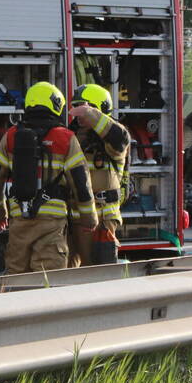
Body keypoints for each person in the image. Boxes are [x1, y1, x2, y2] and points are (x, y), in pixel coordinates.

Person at [0, 82, 97, 273]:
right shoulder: (66, 138)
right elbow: (81, 182)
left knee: (16, 279)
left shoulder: (11, 136)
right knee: (48, 282)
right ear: (55, 106)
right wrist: (89, 218)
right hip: (51, 224)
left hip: (19, 220)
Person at [68, 84, 130, 265]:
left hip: (101, 219)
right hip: (72, 217)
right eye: (76, 108)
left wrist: (90, 113)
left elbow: (120, 138)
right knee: (66, 273)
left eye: (82, 108)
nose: (78, 114)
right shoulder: (73, 136)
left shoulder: (113, 141)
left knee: (96, 272)